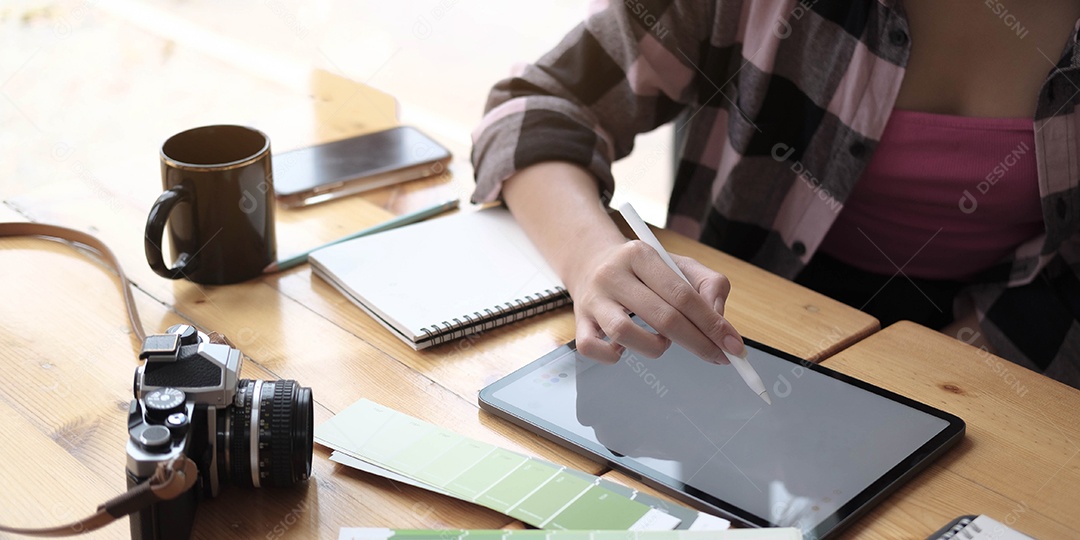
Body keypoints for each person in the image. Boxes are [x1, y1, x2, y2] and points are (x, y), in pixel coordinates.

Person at [470, 0, 1080, 389]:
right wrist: (591, 258)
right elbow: (535, 106)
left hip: (1019, 353)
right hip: (739, 336)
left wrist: (954, 370)